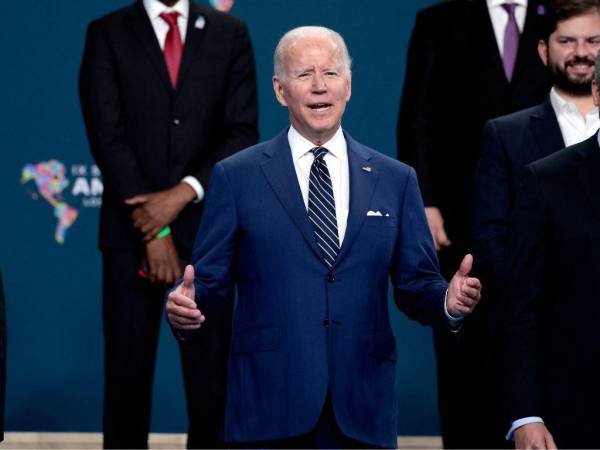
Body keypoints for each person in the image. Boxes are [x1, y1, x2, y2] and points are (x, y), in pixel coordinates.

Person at [166, 26, 482, 449]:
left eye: (331, 73)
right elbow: (207, 283)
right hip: (270, 406)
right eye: (303, 75)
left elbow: (416, 284)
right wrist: (187, 305)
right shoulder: (236, 176)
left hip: (362, 407)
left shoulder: (396, 179)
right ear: (280, 91)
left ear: (348, 87)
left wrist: (448, 301)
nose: (319, 87)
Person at [78, 0, 258, 447]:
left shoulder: (229, 31)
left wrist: (182, 195)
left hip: (207, 235)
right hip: (129, 236)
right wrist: (155, 228)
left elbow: (241, 132)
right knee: (126, 383)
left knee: (211, 388)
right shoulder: (107, 31)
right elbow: (106, 132)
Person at [396, 1, 553, 446]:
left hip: (546, 214)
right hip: (457, 219)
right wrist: (424, 203)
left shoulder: (558, 16)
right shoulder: (439, 20)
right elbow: (416, 118)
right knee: (464, 351)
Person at [473, 0, 600, 375]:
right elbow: (491, 239)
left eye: (594, 40)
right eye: (568, 41)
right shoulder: (505, 134)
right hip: (544, 342)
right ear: (544, 50)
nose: (581, 53)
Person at [501, 52, 600, 448]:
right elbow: (521, 306)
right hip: (574, 414)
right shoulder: (547, 180)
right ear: (596, 91)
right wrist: (525, 413)